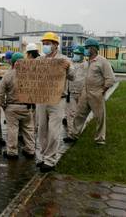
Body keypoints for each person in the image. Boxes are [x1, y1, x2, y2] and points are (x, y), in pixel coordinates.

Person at [35, 32, 75, 173]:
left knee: (53, 130)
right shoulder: (40, 59)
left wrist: (68, 68)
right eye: (44, 43)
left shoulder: (64, 60)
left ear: (55, 45)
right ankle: (43, 157)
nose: (45, 45)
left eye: (48, 43)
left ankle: (51, 160)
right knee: (42, 130)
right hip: (41, 99)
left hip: (57, 100)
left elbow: (73, 76)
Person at [64, 38, 115, 145]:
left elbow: (110, 79)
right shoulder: (87, 62)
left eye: (87, 47)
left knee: (100, 117)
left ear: (93, 48)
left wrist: (103, 90)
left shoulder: (102, 61)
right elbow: (74, 74)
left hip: (97, 92)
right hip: (85, 91)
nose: (85, 49)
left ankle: (100, 139)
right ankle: (73, 135)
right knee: (79, 115)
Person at [0, 52, 35, 159]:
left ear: (13, 62)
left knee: (12, 130)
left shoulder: (7, 75)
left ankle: (12, 152)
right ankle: (30, 150)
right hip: (26, 106)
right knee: (28, 129)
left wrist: (3, 105)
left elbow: (1, 93)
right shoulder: (30, 74)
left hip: (12, 106)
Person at [64, 46, 87, 134]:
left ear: (82, 55)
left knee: (80, 114)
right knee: (71, 113)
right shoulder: (69, 63)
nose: (76, 55)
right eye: (75, 53)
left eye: (78, 54)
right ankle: (71, 134)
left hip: (82, 93)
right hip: (70, 93)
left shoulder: (86, 65)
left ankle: (77, 131)